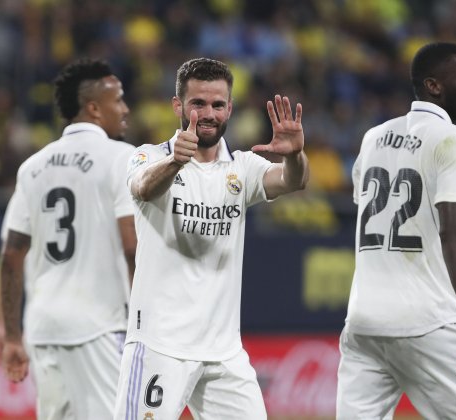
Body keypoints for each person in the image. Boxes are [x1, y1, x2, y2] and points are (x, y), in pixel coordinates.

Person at [113, 57, 309, 419]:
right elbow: (141, 188)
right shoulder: (148, 156)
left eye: (218, 104)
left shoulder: (242, 168)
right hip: (161, 345)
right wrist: (175, 162)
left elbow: (292, 180)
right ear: (178, 106)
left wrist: (296, 155)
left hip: (224, 352)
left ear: (230, 108)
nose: (209, 113)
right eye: (198, 103)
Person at [336, 42, 456, 419]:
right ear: (434, 86)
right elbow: (452, 232)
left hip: (364, 324)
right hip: (427, 322)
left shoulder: (373, 137)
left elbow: (385, 222)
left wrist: (444, 272)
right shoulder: (453, 140)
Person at [0, 58, 137, 419]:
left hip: (43, 327)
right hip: (99, 326)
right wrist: (148, 324)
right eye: (118, 100)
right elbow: (132, 247)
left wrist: (13, 335)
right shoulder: (121, 158)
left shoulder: (32, 167)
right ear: (93, 107)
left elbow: (11, 256)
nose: (125, 109)